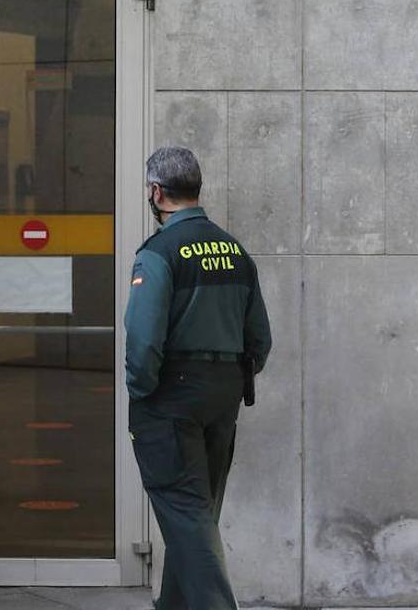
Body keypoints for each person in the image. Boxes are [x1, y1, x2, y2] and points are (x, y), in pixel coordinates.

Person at [124, 145, 272, 610]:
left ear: (156, 192)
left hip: (171, 395)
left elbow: (144, 340)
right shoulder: (234, 250)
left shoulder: (159, 252)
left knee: (185, 513)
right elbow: (261, 340)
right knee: (196, 515)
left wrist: (141, 389)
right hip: (224, 393)